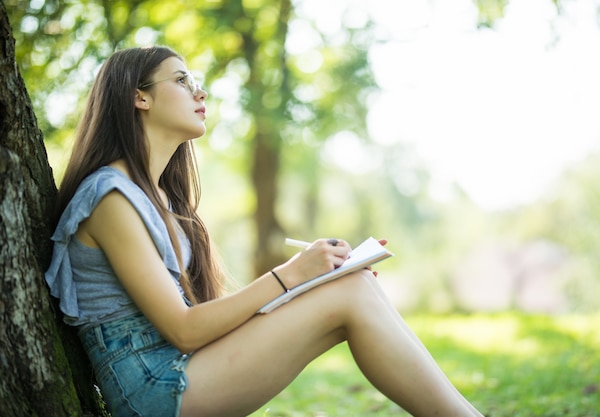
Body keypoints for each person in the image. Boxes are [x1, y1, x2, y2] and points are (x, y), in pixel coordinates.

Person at [45, 45, 484, 417]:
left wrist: (318, 275)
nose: (200, 91)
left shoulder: (160, 198)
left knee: (353, 286)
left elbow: (200, 322)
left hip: (181, 366)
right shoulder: (110, 198)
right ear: (139, 98)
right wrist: (291, 274)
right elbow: (184, 329)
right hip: (153, 386)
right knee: (350, 292)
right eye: (181, 80)